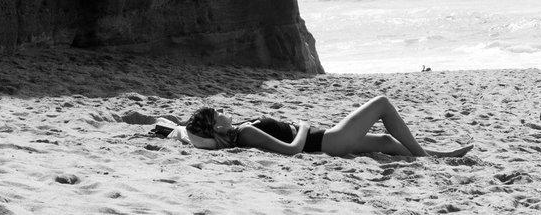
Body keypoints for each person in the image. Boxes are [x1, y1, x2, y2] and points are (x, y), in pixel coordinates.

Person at [183, 95, 473, 158]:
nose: (223, 112)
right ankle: (425, 157)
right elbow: (292, 150)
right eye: (218, 114)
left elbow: (187, 133)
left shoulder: (240, 131)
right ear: (218, 129)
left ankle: (440, 155)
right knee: (382, 103)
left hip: (327, 140)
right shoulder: (244, 133)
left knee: (385, 141)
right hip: (327, 141)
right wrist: (304, 126)